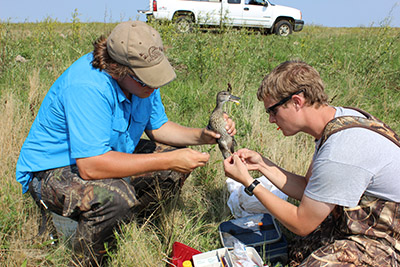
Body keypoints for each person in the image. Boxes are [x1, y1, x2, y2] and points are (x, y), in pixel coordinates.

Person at [16, 21, 236, 266]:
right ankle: (86, 258)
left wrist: (203, 135)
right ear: (117, 69)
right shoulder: (87, 86)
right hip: (54, 169)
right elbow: (91, 166)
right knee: (113, 197)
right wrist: (168, 159)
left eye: (156, 78)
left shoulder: (143, 82)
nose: (153, 87)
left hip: (107, 155)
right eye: (146, 81)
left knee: (171, 167)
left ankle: (120, 227)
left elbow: (158, 127)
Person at [223, 60, 400, 266]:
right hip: (367, 225)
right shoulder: (338, 120)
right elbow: (308, 188)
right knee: (298, 252)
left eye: (273, 111)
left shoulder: (340, 149)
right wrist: (263, 164)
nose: (271, 120)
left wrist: (250, 183)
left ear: (297, 102)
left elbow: (301, 223)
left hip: (389, 240)